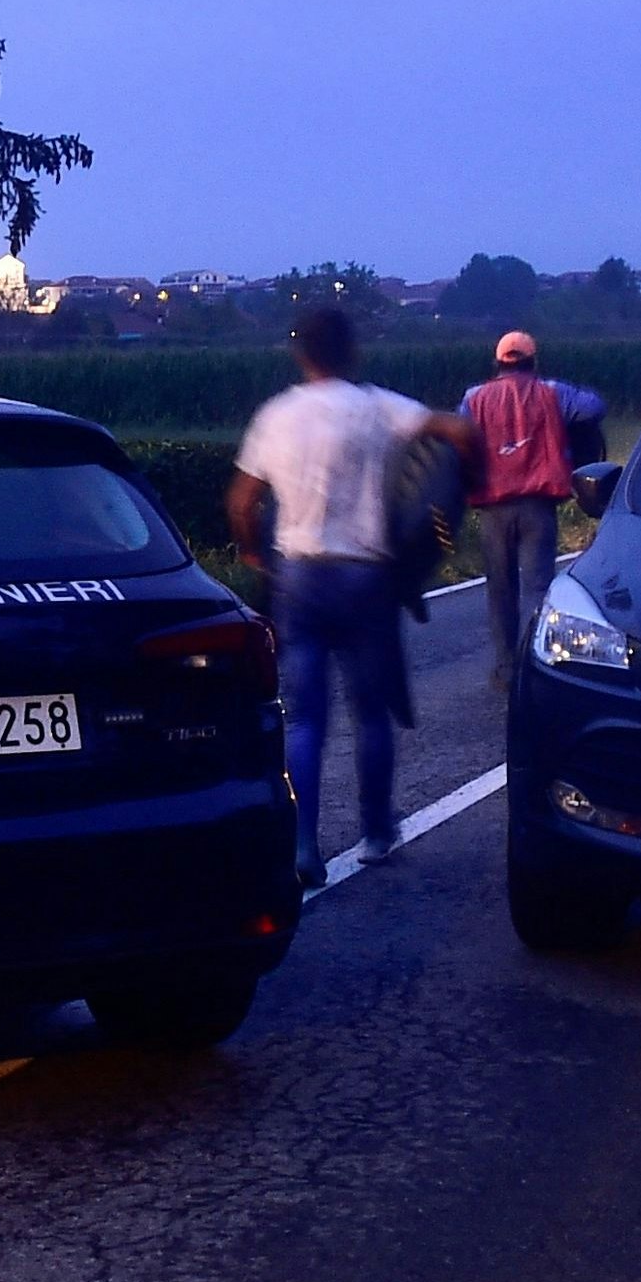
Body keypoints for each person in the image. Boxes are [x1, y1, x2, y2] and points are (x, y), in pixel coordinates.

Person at [228, 305, 474, 886]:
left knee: (305, 719)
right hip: (366, 575)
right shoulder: (376, 406)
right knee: (370, 711)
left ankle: (304, 848)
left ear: (301, 354)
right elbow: (459, 432)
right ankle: (377, 833)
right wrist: (454, 497)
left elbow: (242, 502)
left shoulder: (276, 415)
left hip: (299, 576)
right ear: (352, 351)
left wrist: (254, 554)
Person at [461, 329, 607, 693]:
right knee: (538, 589)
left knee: (500, 590)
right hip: (537, 506)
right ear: (532, 360)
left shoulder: (475, 398)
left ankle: (505, 670)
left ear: (497, 362)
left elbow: (459, 434)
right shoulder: (552, 392)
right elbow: (593, 407)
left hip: (493, 508)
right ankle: (537, 667)